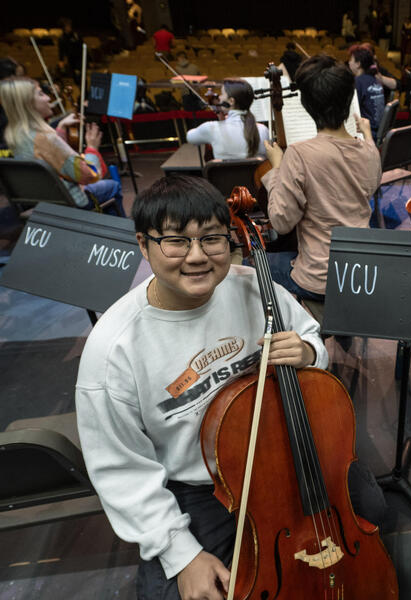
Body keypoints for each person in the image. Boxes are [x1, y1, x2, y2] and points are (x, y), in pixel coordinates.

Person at [75, 175, 333, 600]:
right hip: (198, 488)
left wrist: (307, 351)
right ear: (144, 245)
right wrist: (182, 554)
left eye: (212, 239)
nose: (197, 257)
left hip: (281, 449)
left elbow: (308, 335)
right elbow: (121, 470)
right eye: (176, 241)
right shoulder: (113, 350)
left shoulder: (254, 288)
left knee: (370, 507)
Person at [261, 54, 382, 301]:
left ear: (306, 105)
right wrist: (367, 135)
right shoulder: (370, 151)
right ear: (349, 100)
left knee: (248, 264)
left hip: (319, 279)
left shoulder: (299, 154)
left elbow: (282, 222)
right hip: (360, 272)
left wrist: (276, 167)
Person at [0, 76, 123, 214]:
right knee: (113, 186)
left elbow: (47, 153)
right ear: (28, 103)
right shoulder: (46, 138)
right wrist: (92, 148)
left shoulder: (14, 136)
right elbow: (89, 175)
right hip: (71, 203)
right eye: (41, 94)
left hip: (41, 204)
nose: (48, 98)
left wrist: (61, 128)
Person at [186, 78, 268, 160]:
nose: (219, 98)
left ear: (231, 101)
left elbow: (190, 137)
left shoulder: (211, 128)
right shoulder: (263, 130)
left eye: (222, 94)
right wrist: (221, 117)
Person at [347, 45, 385, 141]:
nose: (349, 62)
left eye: (351, 60)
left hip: (367, 133)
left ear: (358, 64)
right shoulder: (375, 80)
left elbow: (351, 110)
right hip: (378, 131)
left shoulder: (358, 81)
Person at [58, 18, 83, 84]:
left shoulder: (76, 36)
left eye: (70, 26)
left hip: (79, 59)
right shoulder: (62, 38)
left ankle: (84, 92)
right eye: (67, 26)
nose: (69, 27)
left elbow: (81, 47)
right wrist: (61, 60)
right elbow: (61, 50)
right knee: (75, 78)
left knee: (80, 76)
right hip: (70, 60)